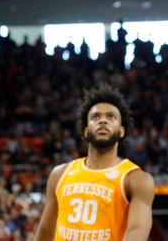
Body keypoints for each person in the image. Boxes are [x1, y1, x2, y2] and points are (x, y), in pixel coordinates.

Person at [33, 84, 154, 241]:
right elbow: (45, 232)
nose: (103, 121)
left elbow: (136, 233)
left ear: (122, 131)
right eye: (95, 117)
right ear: (85, 130)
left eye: (111, 117)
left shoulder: (135, 179)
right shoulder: (60, 174)